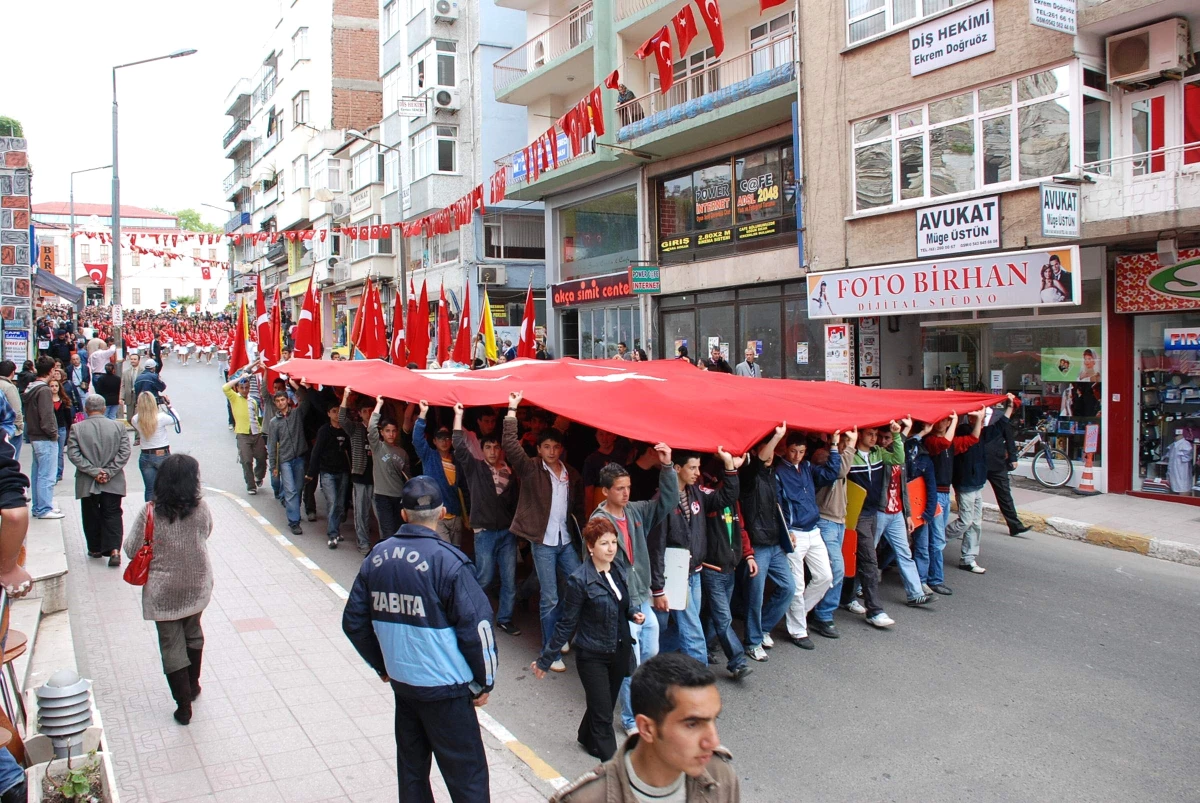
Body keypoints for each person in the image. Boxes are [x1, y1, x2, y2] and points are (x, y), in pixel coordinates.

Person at [342, 476, 497, 803]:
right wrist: (484, 683)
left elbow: (353, 621)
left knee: (412, 774)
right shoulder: (449, 562)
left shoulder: (377, 557)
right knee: (467, 779)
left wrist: (383, 667)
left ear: (402, 515)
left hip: (405, 687)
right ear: (442, 513)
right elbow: (478, 629)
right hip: (447, 691)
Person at [550, 653, 739, 803]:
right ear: (647, 728)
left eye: (714, 719)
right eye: (692, 724)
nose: (712, 741)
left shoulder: (720, 775)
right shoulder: (585, 799)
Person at [533, 517, 645, 761]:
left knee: (602, 703)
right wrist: (546, 659)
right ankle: (612, 763)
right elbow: (566, 623)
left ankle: (586, 736)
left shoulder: (617, 570)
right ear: (591, 547)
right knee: (604, 714)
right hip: (592, 654)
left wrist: (632, 613)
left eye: (614, 542)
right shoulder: (579, 580)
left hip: (619, 650)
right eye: (604, 543)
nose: (611, 548)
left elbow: (620, 604)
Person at [590, 448, 677, 731]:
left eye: (628, 487)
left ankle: (642, 711)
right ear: (605, 491)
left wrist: (667, 467)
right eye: (619, 489)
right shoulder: (598, 523)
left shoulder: (637, 511)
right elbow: (594, 569)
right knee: (631, 665)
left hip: (643, 598)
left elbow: (669, 500)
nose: (626, 493)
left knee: (648, 663)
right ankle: (630, 719)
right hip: (621, 605)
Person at [123, 453, 211, 726]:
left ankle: (183, 706)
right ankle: (193, 685)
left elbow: (130, 549)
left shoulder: (150, 511)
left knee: (171, 644)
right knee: (193, 633)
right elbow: (207, 532)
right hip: (196, 584)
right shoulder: (201, 508)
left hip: (163, 592)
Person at [503, 390, 584, 673]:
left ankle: (560, 636)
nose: (551, 451)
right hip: (543, 542)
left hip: (566, 541)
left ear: (561, 448)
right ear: (538, 449)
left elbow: (578, 510)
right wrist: (512, 409)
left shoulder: (571, 473)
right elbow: (510, 445)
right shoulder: (530, 468)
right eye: (546, 446)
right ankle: (550, 651)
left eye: (555, 446)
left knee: (577, 586)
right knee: (549, 596)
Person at [649, 447, 741, 666]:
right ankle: (701, 677)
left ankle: (652, 659)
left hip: (695, 571)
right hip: (674, 575)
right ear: (677, 468)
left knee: (685, 623)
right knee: (691, 627)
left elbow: (727, 496)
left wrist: (729, 467)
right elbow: (656, 547)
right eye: (692, 467)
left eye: (699, 467)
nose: (697, 472)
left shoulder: (697, 491)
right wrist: (658, 587)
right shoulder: (662, 500)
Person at [452, 402, 520, 635]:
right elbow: (459, 447)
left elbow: (514, 504)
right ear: (482, 450)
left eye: (496, 447)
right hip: (485, 532)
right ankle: (471, 614)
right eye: (488, 447)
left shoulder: (510, 472)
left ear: (501, 449)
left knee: (509, 580)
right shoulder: (475, 467)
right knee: (484, 576)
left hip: (506, 533)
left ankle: (504, 618)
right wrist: (458, 416)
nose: (492, 450)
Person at [775, 431, 843, 649]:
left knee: (826, 576)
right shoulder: (778, 471)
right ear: (786, 449)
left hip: (812, 529)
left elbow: (832, 473)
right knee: (797, 584)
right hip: (795, 531)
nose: (797, 456)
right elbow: (777, 503)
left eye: (801, 452)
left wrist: (834, 446)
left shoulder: (806, 467)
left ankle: (799, 614)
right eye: (794, 451)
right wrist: (786, 529)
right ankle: (797, 630)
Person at [845, 420, 912, 629]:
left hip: (874, 512)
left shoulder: (877, 453)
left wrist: (898, 436)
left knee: (859, 558)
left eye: (875, 434)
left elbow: (899, 459)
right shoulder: (851, 455)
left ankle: (847, 598)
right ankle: (875, 610)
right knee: (869, 561)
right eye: (870, 434)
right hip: (858, 514)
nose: (874, 438)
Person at [738, 424, 793, 660]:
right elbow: (759, 463)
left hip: (775, 542)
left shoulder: (772, 475)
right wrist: (778, 435)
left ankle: (761, 629)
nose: (771, 454)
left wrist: (786, 531)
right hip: (758, 544)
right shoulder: (750, 475)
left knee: (788, 588)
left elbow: (777, 507)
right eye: (766, 448)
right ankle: (752, 642)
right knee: (755, 596)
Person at [66, 394, 131, 566]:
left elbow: (74, 454)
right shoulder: (118, 427)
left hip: (88, 480)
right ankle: (114, 550)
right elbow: (124, 452)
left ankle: (95, 548)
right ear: (104, 409)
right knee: (113, 513)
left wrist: (94, 471)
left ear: (86, 410)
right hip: (113, 479)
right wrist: (109, 472)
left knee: (90, 513)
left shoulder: (77, 428)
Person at [922, 410, 980, 595]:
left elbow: (973, 439)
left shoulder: (949, 442)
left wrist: (978, 419)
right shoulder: (931, 441)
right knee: (935, 540)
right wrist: (955, 417)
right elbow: (945, 442)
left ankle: (928, 577)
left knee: (930, 539)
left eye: (947, 419)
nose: (944, 422)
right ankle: (934, 579)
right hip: (934, 494)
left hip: (945, 495)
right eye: (942, 419)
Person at [809, 429, 857, 639]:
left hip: (838, 521)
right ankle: (822, 614)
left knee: (829, 570)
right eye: (843, 439)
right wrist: (845, 447)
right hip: (826, 520)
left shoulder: (842, 456)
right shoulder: (822, 454)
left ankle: (818, 610)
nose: (847, 443)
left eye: (848, 439)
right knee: (836, 569)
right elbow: (839, 471)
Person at [412, 402, 466, 546]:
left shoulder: (458, 460)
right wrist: (422, 414)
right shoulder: (429, 456)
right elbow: (417, 439)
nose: (445, 441)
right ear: (434, 441)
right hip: (436, 516)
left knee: (455, 553)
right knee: (445, 551)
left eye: (448, 437)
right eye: (441, 438)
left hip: (455, 515)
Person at [946, 407, 992, 574]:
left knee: (975, 523)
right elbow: (971, 439)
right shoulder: (963, 432)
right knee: (966, 521)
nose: (984, 418)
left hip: (976, 482)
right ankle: (937, 541)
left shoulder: (981, 433)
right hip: (965, 482)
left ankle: (968, 558)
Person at [266, 384, 311, 537]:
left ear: (287, 400)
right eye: (277, 401)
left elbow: (306, 400)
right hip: (284, 460)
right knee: (290, 490)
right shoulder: (274, 423)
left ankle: (295, 510)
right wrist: (273, 466)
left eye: (283, 400)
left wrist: (297, 386)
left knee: (298, 488)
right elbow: (272, 445)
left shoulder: (297, 414)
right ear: (275, 403)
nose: (281, 403)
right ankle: (294, 521)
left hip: (299, 457)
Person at [306, 403, 351, 549]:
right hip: (327, 472)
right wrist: (311, 472)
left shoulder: (347, 430)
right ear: (328, 413)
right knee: (332, 502)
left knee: (340, 503)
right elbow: (316, 451)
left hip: (343, 471)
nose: (337, 414)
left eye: (339, 411)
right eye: (334, 411)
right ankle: (332, 534)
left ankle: (336, 531)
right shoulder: (324, 431)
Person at [22, 357, 62, 519]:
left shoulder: (31, 388)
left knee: (38, 472)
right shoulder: (44, 390)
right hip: (45, 437)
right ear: (51, 370)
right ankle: (44, 507)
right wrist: (53, 433)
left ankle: (39, 506)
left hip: (34, 435)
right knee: (47, 474)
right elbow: (46, 416)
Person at [339, 388, 377, 554]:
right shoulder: (355, 428)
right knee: (360, 513)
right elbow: (341, 418)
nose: (368, 414)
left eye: (371, 411)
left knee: (379, 513)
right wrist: (346, 397)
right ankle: (363, 543)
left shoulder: (379, 431)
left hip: (377, 478)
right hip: (360, 476)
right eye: (365, 411)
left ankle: (382, 543)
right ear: (360, 414)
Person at [984, 396, 1029, 537]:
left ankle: (1014, 525)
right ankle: (965, 526)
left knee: (1004, 495)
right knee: (969, 495)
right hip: (976, 463)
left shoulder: (1000, 416)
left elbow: (1009, 438)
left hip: (997, 463)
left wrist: (1013, 457)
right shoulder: (970, 416)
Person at [223, 359, 268, 495]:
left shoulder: (253, 400)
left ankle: (258, 476)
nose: (244, 390)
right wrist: (239, 379)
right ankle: (251, 485)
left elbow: (256, 416)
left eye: (246, 387)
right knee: (246, 460)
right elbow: (225, 388)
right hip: (243, 435)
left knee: (262, 457)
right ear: (238, 388)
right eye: (242, 388)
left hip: (256, 433)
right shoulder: (235, 398)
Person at [368, 395, 409, 541]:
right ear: (382, 433)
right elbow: (371, 428)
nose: (391, 434)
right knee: (387, 531)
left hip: (398, 497)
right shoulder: (378, 447)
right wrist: (379, 405)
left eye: (393, 431)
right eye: (387, 431)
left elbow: (407, 478)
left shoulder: (402, 453)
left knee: (399, 531)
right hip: (382, 496)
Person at [131, 391, 177, 503]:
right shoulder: (161, 417)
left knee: (150, 489)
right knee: (166, 488)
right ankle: (166, 514)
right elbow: (176, 419)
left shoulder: (135, 419)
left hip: (146, 455)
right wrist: (169, 405)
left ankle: (150, 515)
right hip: (162, 454)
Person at [50, 378, 75, 484]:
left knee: (60, 452)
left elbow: (68, 417)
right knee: (52, 452)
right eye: (52, 386)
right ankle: (52, 472)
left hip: (61, 428)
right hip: (51, 429)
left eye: (56, 386)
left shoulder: (64, 400)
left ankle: (59, 473)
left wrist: (70, 429)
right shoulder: (46, 400)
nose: (54, 388)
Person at [0, 361, 24, 459]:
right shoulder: (9, 387)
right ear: (13, 372)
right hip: (9, 431)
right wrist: (19, 427)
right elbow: (16, 410)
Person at [120, 352, 141, 420]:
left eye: (135, 359)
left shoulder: (143, 371)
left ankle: (137, 430)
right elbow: (123, 385)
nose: (133, 361)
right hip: (129, 396)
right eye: (131, 359)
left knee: (138, 417)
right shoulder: (126, 372)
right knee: (129, 418)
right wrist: (121, 397)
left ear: (138, 360)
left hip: (140, 396)